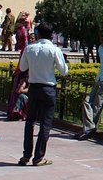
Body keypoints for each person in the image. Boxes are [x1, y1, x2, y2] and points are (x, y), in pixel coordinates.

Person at [18, 22, 68, 166]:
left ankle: (26, 155)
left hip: (33, 88)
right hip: (48, 88)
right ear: (51, 35)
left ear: (38, 33)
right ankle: (38, 157)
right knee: (45, 123)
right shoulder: (54, 50)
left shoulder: (30, 48)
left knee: (30, 122)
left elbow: (22, 67)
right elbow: (64, 71)